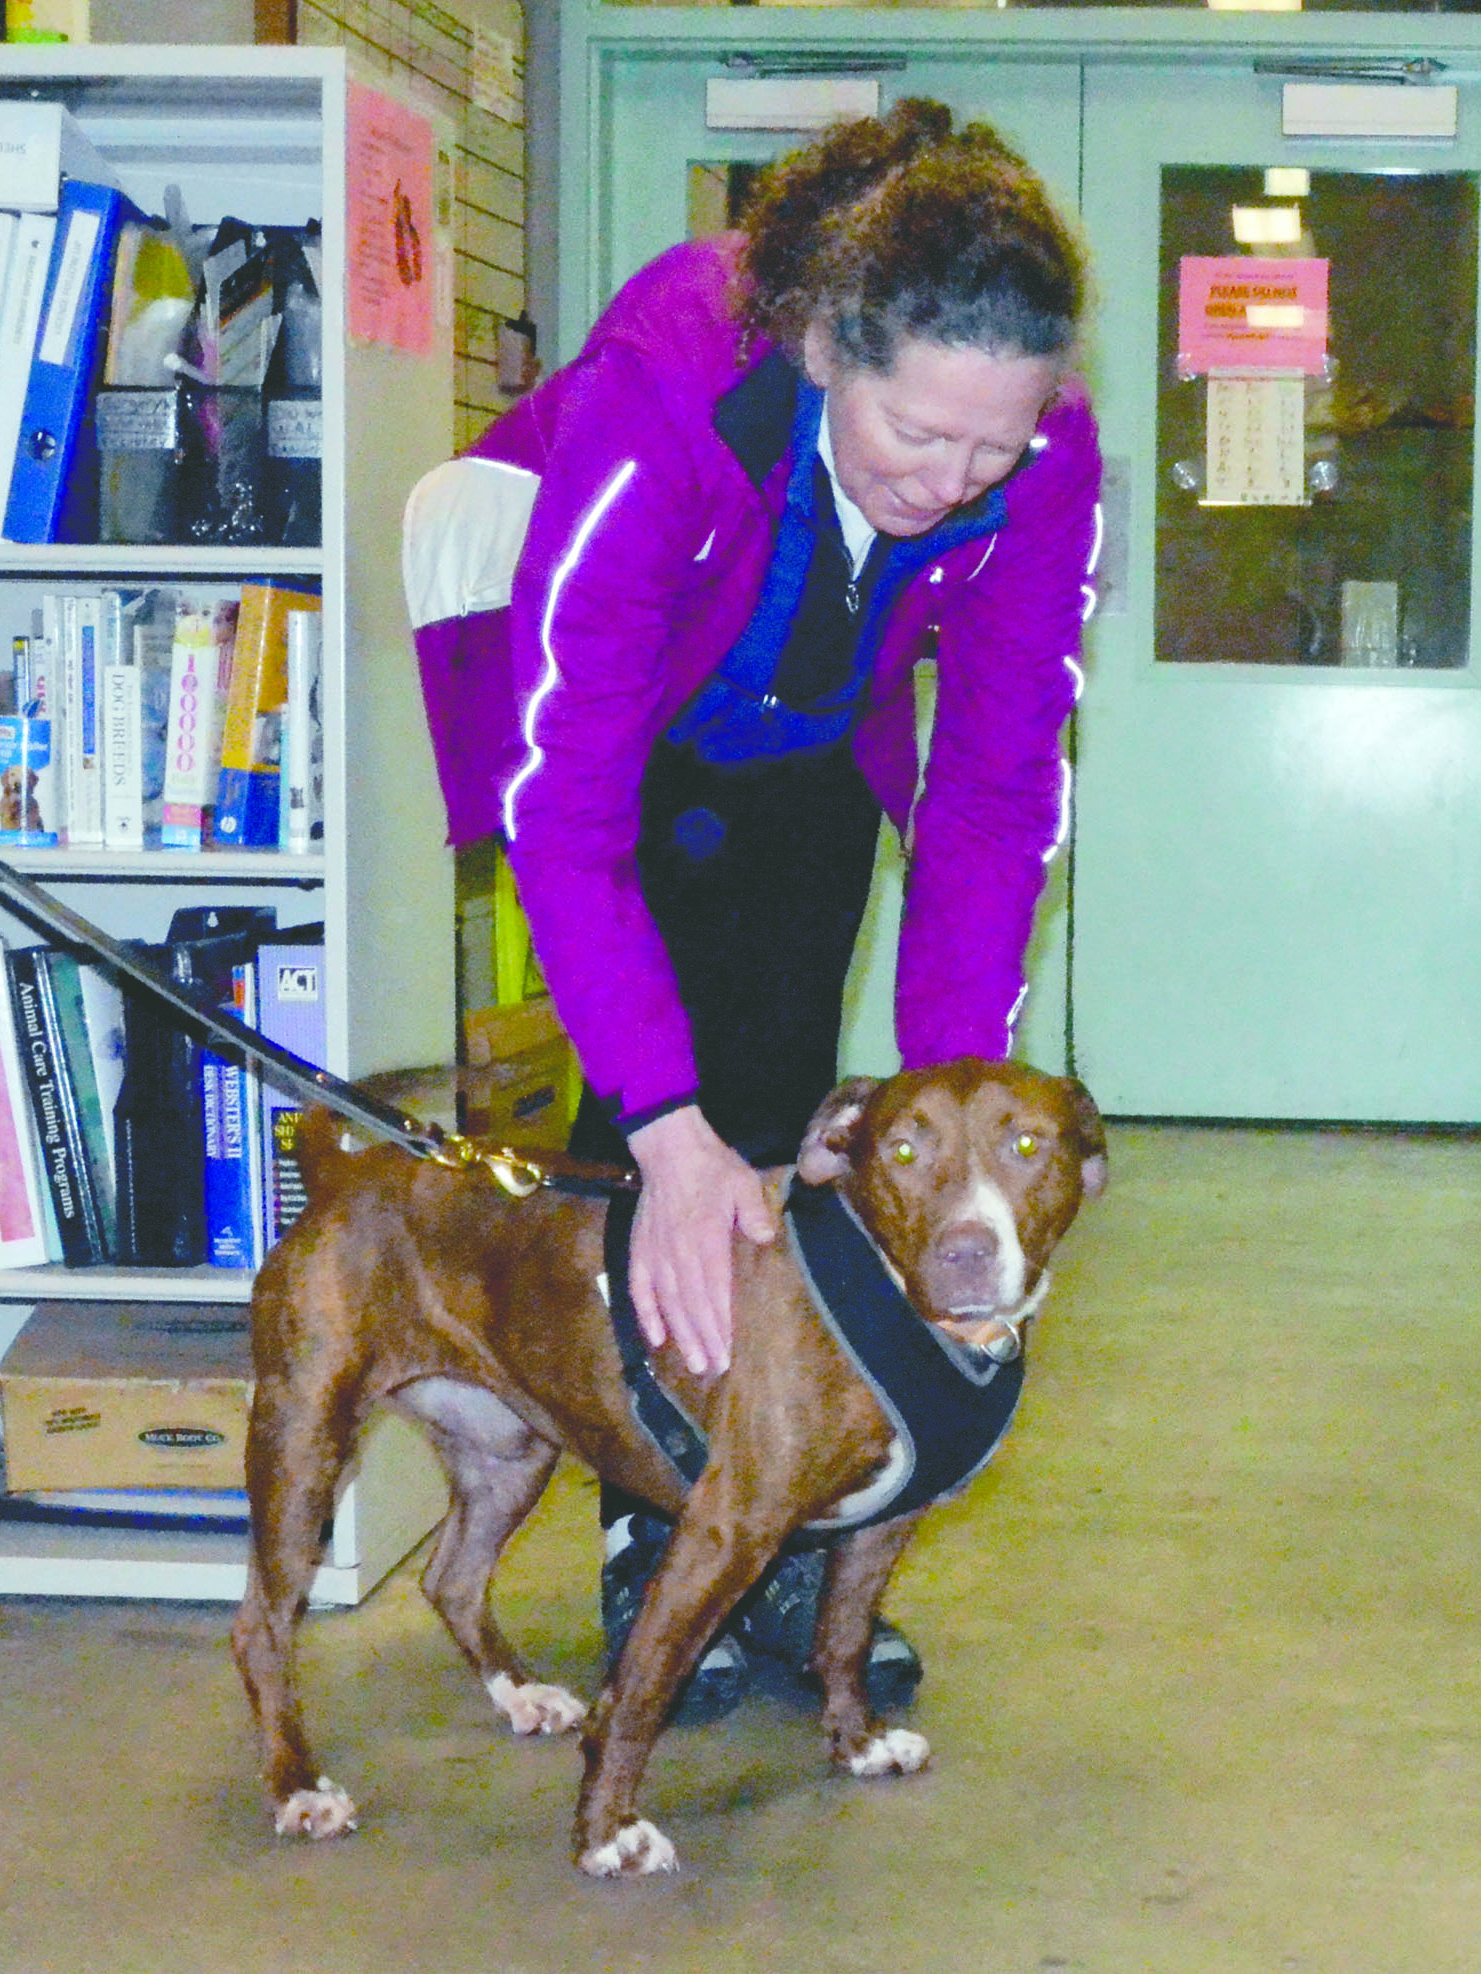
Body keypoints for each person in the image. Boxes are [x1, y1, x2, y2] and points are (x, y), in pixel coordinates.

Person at [406, 99, 1100, 1721]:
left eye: (994, 444)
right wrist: (661, 1123)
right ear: (820, 347)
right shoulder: (675, 378)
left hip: (801, 717)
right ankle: (658, 1523)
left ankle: (784, 1509)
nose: (955, 478)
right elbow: (565, 803)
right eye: (917, 434)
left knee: (790, 1077)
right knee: (666, 1110)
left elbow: (995, 789)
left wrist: (961, 1113)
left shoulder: (1038, 452)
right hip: (618, 711)